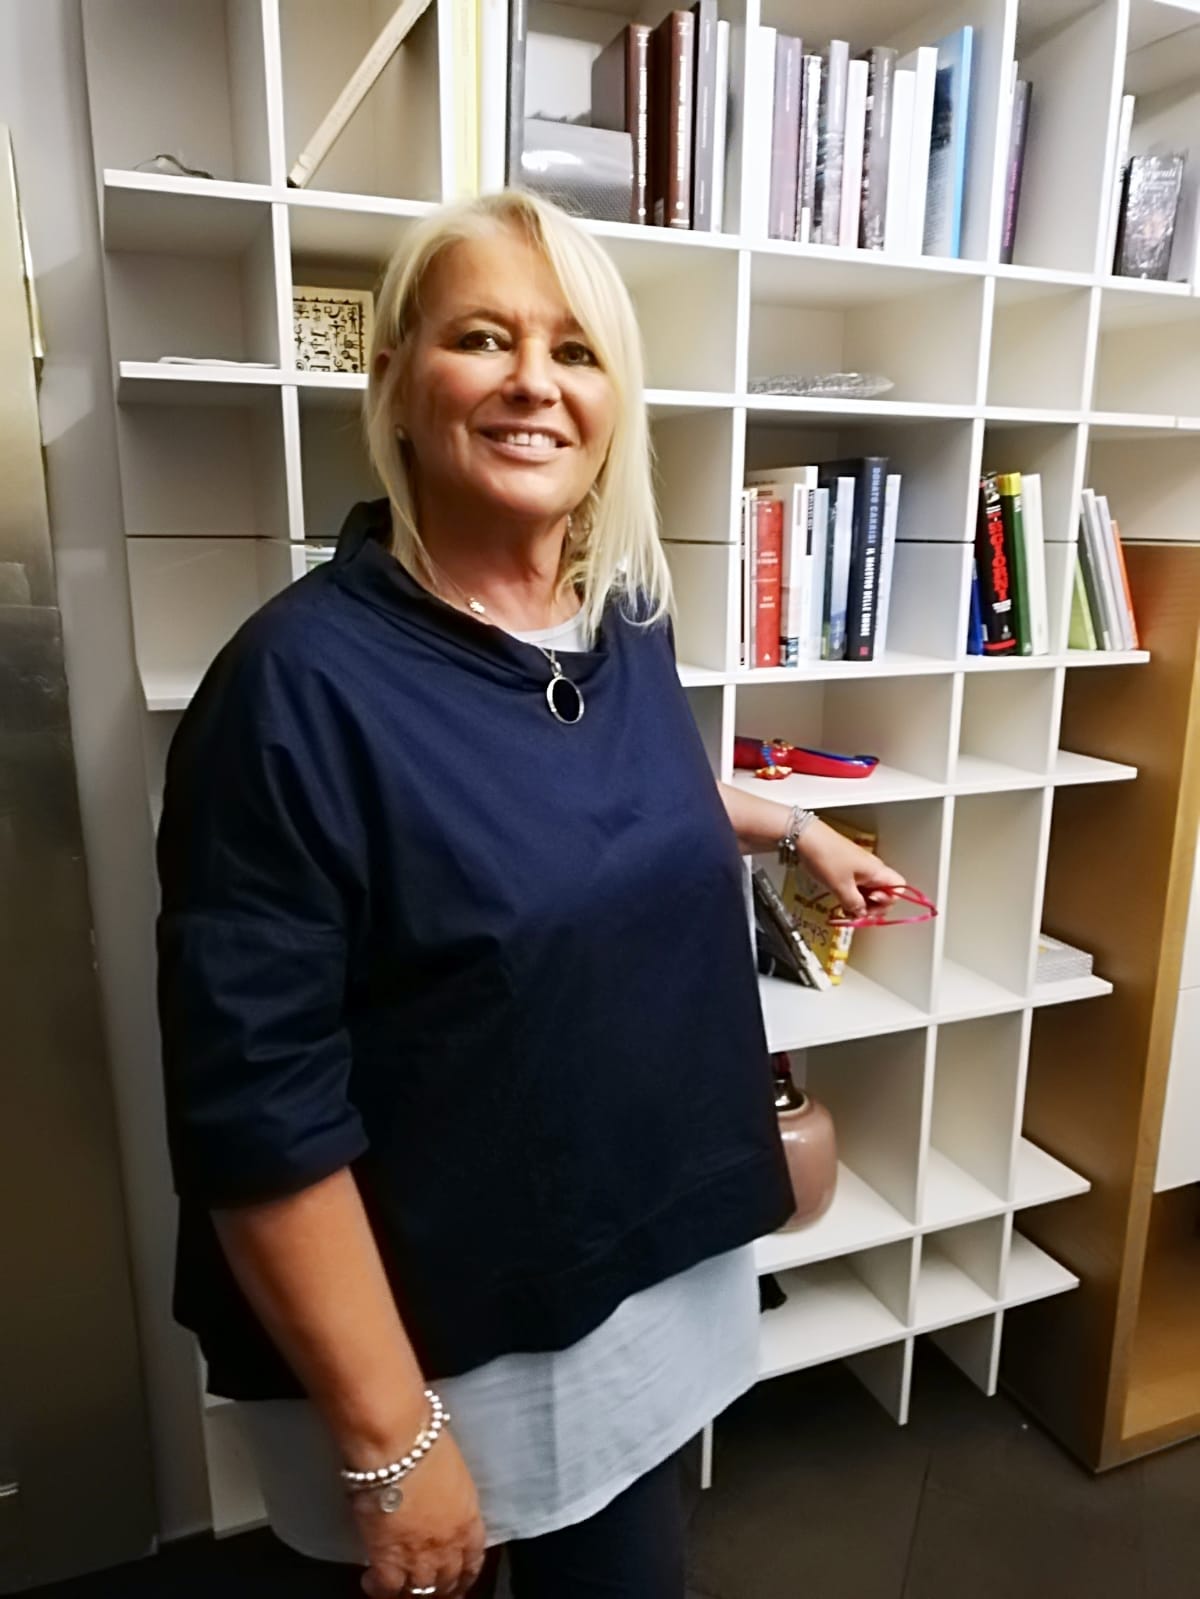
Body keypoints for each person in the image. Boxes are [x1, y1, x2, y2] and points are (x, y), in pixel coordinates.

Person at [156, 189, 905, 1599]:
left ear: (614, 400)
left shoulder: (621, 613)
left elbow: (616, 796)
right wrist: (391, 1440)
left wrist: (794, 824)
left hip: (638, 1261)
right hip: (434, 1336)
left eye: (574, 350)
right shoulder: (291, 692)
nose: (532, 383)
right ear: (396, 379)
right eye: (483, 339)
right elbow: (257, 1110)